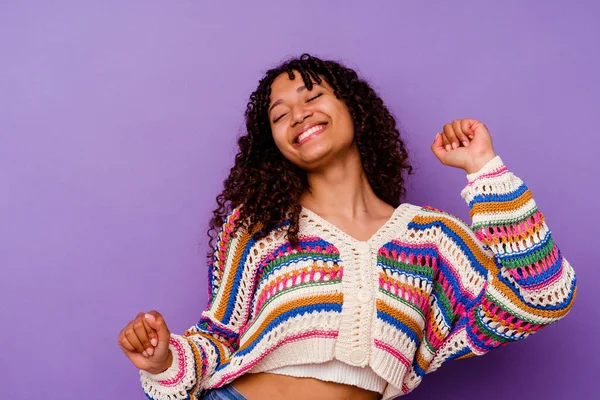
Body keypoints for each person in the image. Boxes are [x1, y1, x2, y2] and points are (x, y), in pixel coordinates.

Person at [118, 54, 577, 400]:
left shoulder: (434, 241)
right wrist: (163, 362)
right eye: (279, 115)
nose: (298, 114)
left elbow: (542, 296)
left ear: (355, 109)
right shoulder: (259, 229)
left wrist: (483, 169)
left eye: (313, 96)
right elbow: (218, 338)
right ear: (275, 144)